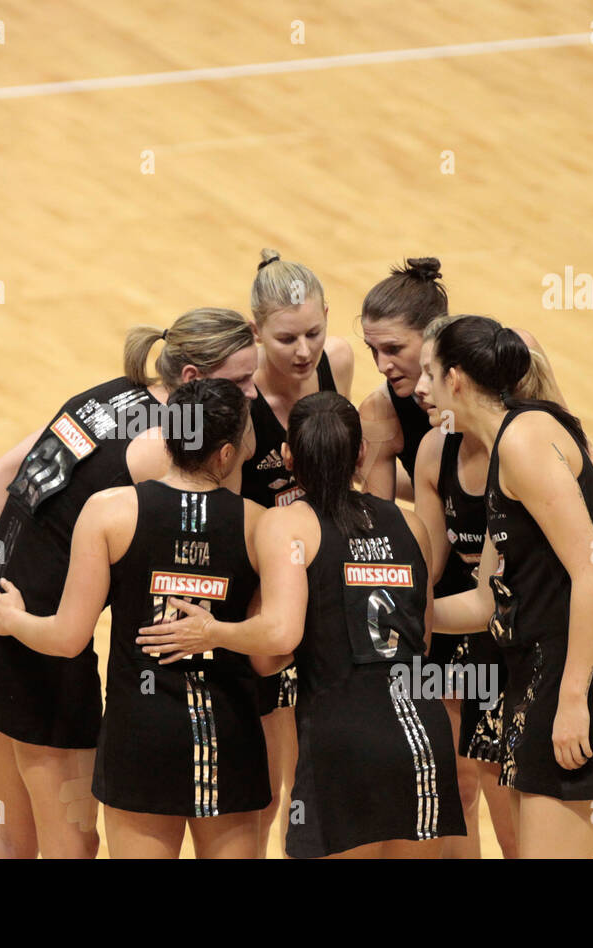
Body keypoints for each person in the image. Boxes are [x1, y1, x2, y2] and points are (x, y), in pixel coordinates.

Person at [0, 308, 258, 858]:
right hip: (38, 647)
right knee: (72, 846)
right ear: (194, 380)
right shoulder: (164, 446)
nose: (250, 394)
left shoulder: (111, 393)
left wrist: (33, 568)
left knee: (16, 836)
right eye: (241, 381)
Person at [139, 392, 465, 857]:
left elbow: (275, 645)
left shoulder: (287, 524)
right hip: (422, 737)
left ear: (288, 455)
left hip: (343, 738)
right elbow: (423, 636)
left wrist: (214, 631)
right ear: (362, 453)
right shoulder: (411, 525)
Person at [427, 316, 593, 858]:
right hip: (536, 671)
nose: (424, 387)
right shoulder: (507, 443)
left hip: (564, 675)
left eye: (431, 374)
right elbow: (488, 600)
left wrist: (574, 697)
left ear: (456, 380)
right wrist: (407, 614)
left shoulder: (524, 441)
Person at [240, 248, 354, 855]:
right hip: (259, 591)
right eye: (286, 339)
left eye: (314, 331)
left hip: (322, 586)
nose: (304, 350)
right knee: (263, 792)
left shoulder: (339, 362)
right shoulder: (236, 394)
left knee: (314, 779)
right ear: (256, 330)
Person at [356, 257, 449, 502]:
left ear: (434, 333)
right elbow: (380, 525)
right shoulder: (379, 411)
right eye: (373, 349)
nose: (381, 366)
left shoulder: (499, 369)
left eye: (393, 349)